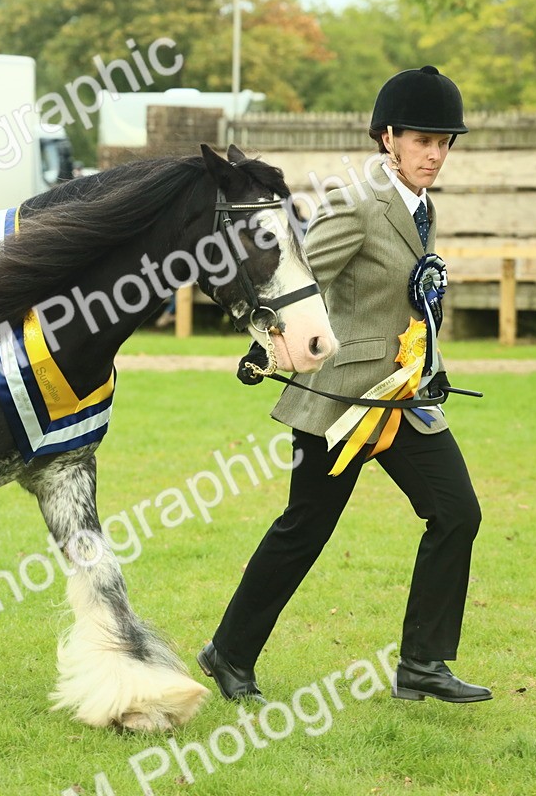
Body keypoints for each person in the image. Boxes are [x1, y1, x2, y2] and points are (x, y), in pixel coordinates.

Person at [198, 66, 491, 705]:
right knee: (305, 527)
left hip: (403, 394)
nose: (436, 154)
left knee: (457, 512)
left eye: (446, 142)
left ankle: (423, 664)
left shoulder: (421, 206)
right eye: (424, 141)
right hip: (343, 398)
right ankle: (228, 652)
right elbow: (299, 279)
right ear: (388, 138)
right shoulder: (355, 201)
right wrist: (263, 346)